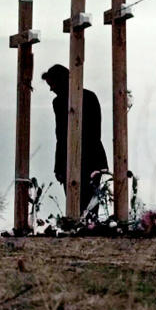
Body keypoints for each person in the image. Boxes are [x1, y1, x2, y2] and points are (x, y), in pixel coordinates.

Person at [42, 64, 108, 214]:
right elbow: (60, 135)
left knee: (90, 206)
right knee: (75, 207)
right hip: (70, 159)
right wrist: (59, 166)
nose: (51, 89)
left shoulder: (88, 98)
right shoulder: (58, 102)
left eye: (52, 84)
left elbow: (94, 132)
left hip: (89, 158)